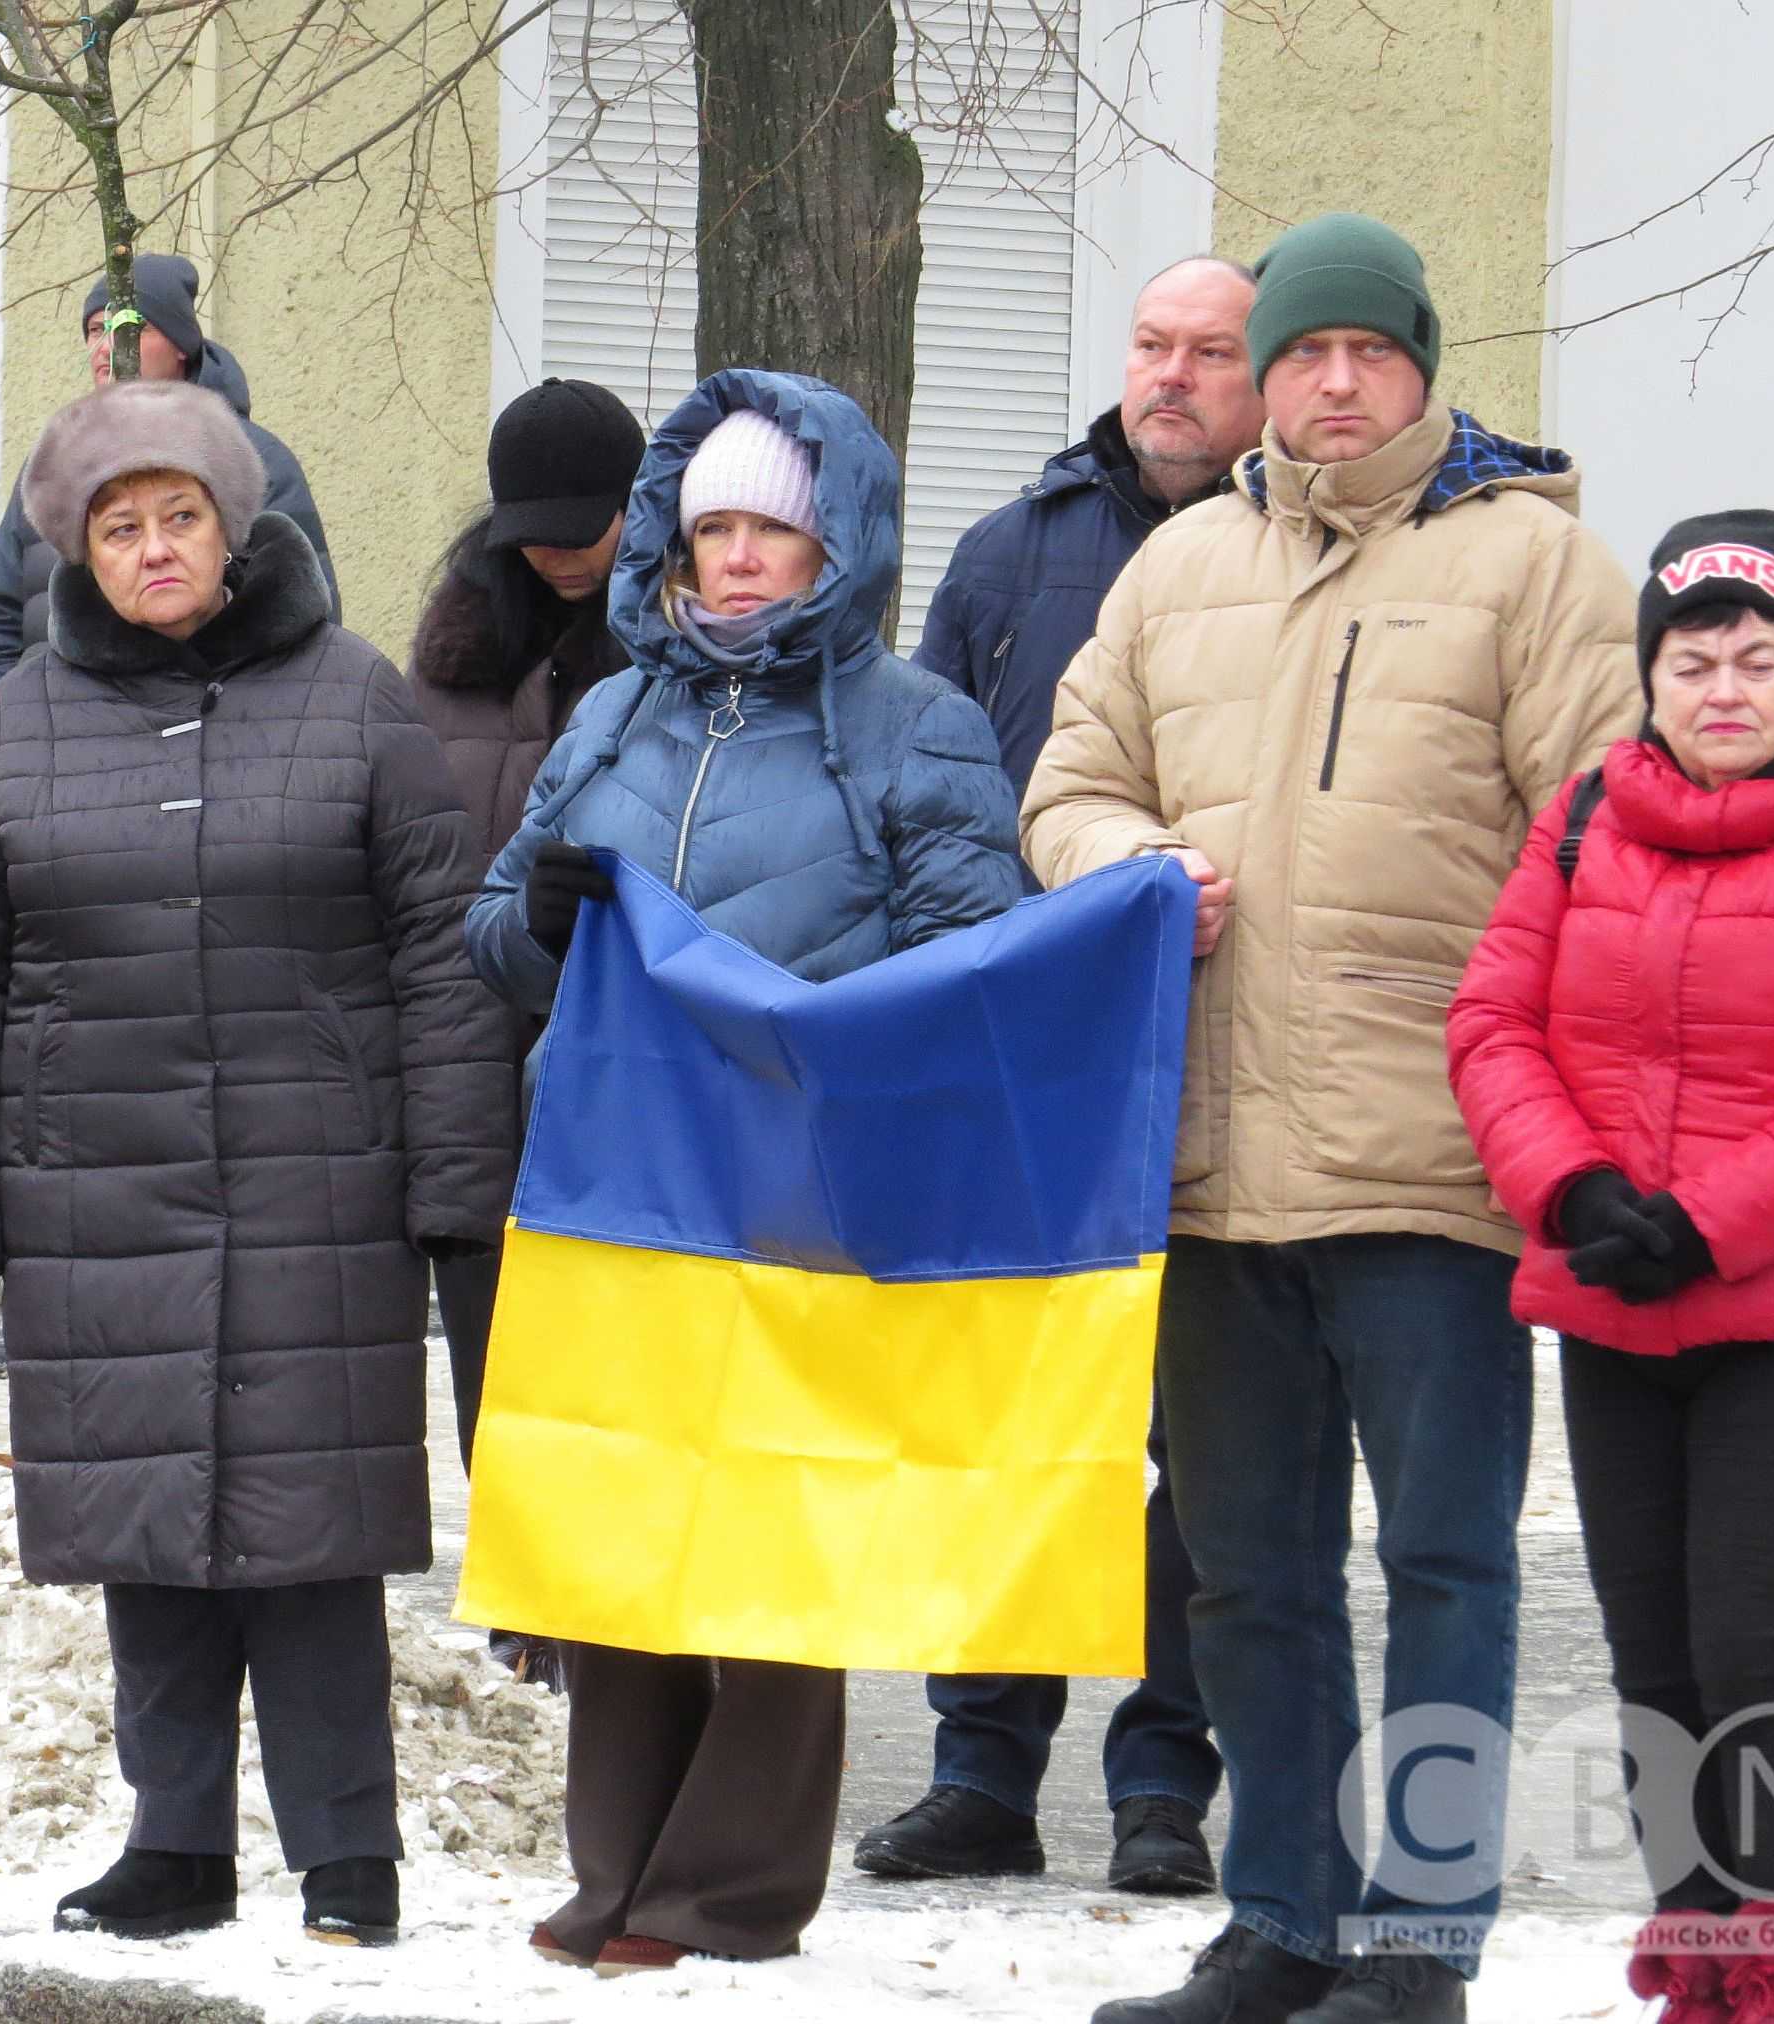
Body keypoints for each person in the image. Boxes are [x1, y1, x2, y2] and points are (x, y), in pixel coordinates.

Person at [1022, 213, 1641, 2024]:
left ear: (1425, 369)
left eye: (1371, 349)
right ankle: (1279, 1915)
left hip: (1433, 1163)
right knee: (1243, 1574)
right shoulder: (1176, 565)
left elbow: (1595, 836)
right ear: (1265, 374)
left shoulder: (1535, 569)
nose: (1335, 379)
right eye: (1304, 352)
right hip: (1209, 1166)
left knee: (1443, 1563)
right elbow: (1067, 782)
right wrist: (1129, 861)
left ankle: (1419, 1938)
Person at [0, 378, 514, 1948]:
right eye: (119, 527)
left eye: (179, 519)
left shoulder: (356, 694)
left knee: (314, 1531)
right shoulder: (21, 719)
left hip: (320, 1175)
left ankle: (346, 1854)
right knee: (144, 1527)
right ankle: (174, 1845)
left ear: (235, 532)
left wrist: (452, 1178)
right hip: (98, 1179)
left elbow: (440, 952)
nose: (154, 549)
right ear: (75, 555)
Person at [466, 369, 1023, 1975]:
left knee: (778, 1544)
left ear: (833, 534)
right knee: (620, 1524)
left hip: (804, 1185)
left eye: (768, 524)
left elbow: (966, 955)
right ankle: (615, 1867)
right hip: (613, 1173)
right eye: (708, 524)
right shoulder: (614, 711)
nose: (735, 556)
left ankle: (727, 1889)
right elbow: (494, 929)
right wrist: (546, 922)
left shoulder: (919, 726)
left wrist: (817, 1042)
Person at [1446, 513, 1774, 2024]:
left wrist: (1708, 1222)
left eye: (1758, 658)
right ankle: (1695, 1948)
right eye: (1693, 663)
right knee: (1647, 1646)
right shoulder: (1576, 825)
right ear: (1650, 679)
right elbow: (1492, 1025)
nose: (1725, 687)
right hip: (1612, 1286)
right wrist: (1576, 1187)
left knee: (1746, 1639)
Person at [855, 255, 1264, 1896]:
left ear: (1264, 373)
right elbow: (933, 788)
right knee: (1007, 1427)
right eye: (1151, 343)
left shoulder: (1290, 553)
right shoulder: (1010, 551)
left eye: (1210, 352)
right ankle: (980, 1766)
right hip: (1022, 1066)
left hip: (1223, 1066)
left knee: (1197, 1444)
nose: (1172, 376)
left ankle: (1164, 1778)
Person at [406, 376, 644, 1479]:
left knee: (610, 1353)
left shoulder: (671, 652)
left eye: (577, 531)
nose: (553, 556)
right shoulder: (453, 658)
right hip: (466, 1036)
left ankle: (603, 1624)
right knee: (489, 1349)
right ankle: (519, 1610)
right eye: (528, 536)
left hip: (612, 1036)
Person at [0, 252, 337, 692]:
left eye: (128, 328)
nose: (106, 346)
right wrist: (6, 720)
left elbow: (305, 617)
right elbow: (0, 616)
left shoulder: (251, 459)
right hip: (55, 742)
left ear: (182, 345)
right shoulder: (55, 466)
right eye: (94, 330)